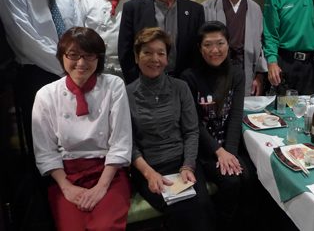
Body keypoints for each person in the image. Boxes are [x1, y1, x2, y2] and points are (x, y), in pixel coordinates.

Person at [32, 27, 133, 230]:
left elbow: (121, 142)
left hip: (109, 173)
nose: (81, 62)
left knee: (105, 227)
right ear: (62, 56)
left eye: (89, 55)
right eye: (73, 55)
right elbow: (45, 151)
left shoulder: (114, 86)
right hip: (66, 175)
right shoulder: (46, 95)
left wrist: (101, 187)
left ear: (99, 58)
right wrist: (66, 187)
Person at [0, 0, 80, 157]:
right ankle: (45, 191)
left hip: (71, 72)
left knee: (71, 136)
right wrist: (69, 68)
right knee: (44, 141)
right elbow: (27, 42)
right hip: (37, 75)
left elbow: (76, 31)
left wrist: (78, 65)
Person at [127, 27, 215, 231]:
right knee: (179, 210)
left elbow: (191, 131)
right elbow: (127, 143)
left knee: (203, 206)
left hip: (183, 163)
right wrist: (149, 174)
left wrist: (188, 165)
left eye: (161, 53)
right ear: (136, 56)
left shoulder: (180, 87)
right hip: (149, 168)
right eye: (147, 52)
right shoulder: (126, 93)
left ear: (167, 59)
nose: (154, 59)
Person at [180, 21, 257, 230]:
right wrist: (219, 152)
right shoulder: (189, 77)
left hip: (230, 145)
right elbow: (193, 124)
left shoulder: (237, 73)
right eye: (208, 44)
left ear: (228, 45)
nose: (215, 50)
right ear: (199, 47)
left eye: (220, 43)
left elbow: (235, 116)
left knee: (250, 178)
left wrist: (229, 153)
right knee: (230, 182)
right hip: (204, 148)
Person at [118, 0, 205, 84]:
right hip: (144, 84)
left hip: (185, 84)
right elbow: (125, 53)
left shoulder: (195, 10)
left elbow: (198, 53)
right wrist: (136, 84)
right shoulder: (133, 9)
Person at [202, 0, 267, 96]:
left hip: (246, 72)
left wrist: (259, 76)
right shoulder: (206, 7)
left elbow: (261, 45)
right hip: (214, 73)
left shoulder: (255, 8)